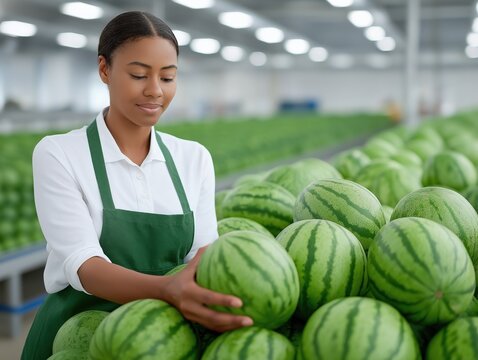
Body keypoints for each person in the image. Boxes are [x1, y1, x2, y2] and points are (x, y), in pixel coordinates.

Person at [21, 11, 252, 359]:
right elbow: (83, 264)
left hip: (163, 337)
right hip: (77, 334)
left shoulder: (194, 158)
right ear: (104, 70)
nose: (155, 91)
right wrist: (168, 290)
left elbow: (203, 252)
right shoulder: (59, 153)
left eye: (168, 77)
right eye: (138, 75)